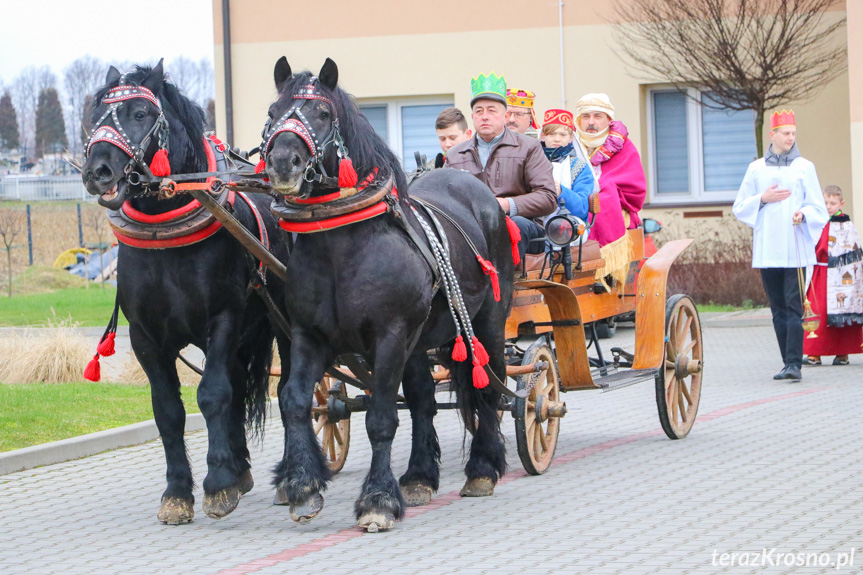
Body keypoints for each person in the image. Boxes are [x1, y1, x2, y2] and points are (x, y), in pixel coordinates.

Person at [732, 109, 829, 382]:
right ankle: (786, 362)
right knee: (777, 309)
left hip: (795, 247)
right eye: (785, 133)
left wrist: (804, 214)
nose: (790, 138)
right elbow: (740, 206)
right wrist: (762, 198)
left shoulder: (804, 167)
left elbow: (817, 206)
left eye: (793, 134)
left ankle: (795, 364)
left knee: (793, 306)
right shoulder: (756, 168)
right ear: (772, 135)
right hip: (768, 250)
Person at [445, 73, 556, 260]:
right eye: (479, 111)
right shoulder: (455, 154)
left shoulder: (528, 147)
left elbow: (548, 197)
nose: (485, 116)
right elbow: (445, 199)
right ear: (472, 117)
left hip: (523, 226)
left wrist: (505, 205)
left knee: (512, 226)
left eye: (492, 110)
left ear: (505, 116)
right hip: (472, 227)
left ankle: (500, 288)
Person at [574, 93, 646, 287]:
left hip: (615, 206)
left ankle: (604, 270)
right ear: (578, 120)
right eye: (586, 116)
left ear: (608, 120)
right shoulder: (568, 143)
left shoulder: (624, 147)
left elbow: (635, 190)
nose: (591, 122)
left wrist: (602, 189)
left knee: (603, 197)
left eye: (598, 116)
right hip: (574, 205)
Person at [803, 185, 863, 366]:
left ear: (841, 203)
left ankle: (842, 353)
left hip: (840, 275)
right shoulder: (818, 222)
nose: (829, 206)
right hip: (820, 273)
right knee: (816, 310)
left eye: (833, 203)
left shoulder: (846, 224)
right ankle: (814, 352)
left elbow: (853, 249)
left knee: (841, 310)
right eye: (826, 202)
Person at [540, 108, 597, 222]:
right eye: (551, 134)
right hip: (535, 220)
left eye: (562, 135)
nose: (557, 139)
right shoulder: (532, 162)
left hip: (570, 223)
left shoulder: (580, 167)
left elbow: (581, 209)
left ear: (571, 138)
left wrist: (561, 192)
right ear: (542, 136)